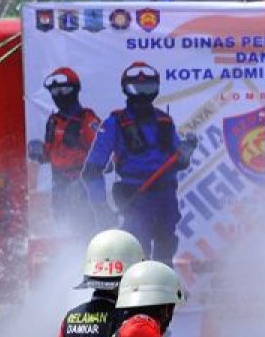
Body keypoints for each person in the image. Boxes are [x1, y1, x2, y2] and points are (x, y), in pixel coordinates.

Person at [82, 62, 197, 266]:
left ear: (156, 89)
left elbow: (178, 161)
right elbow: (92, 170)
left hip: (165, 196)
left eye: (148, 89)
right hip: (134, 195)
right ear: (126, 90)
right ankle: (134, 288)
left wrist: (185, 154)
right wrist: (100, 205)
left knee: (166, 245)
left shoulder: (165, 121)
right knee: (136, 245)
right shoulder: (114, 123)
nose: (142, 95)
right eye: (137, 89)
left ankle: (164, 285)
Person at [28, 67, 102, 235]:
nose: (60, 95)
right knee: (62, 222)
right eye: (55, 91)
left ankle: (85, 250)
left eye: (65, 90)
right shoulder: (54, 120)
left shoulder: (87, 118)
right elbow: (52, 151)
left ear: (75, 90)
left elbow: (102, 148)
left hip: (81, 183)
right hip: (59, 182)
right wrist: (40, 151)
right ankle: (66, 254)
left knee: (82, 223)